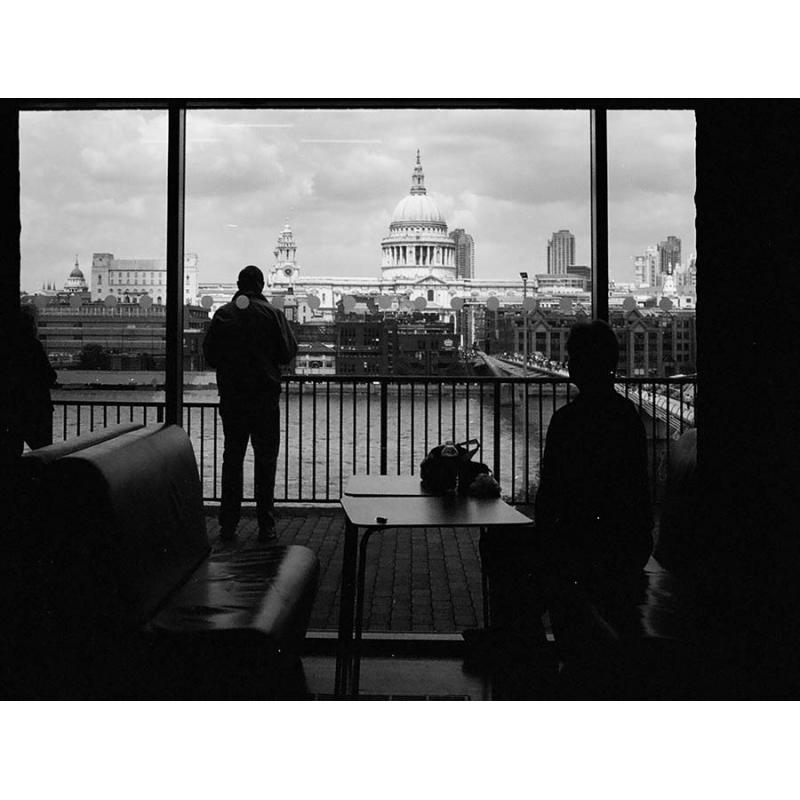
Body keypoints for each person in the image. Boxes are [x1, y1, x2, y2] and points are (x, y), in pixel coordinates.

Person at [536, 319, 653, 618]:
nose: (569, 364)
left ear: (580, 366)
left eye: (573, 358)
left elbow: (550, 497)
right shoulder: (628, 416)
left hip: (582, 547)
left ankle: (524, 649)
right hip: (627, 547)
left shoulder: (566, 421)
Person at [202, 266, 297, 542]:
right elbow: (287, 352)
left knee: (232, 459)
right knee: (265, 462)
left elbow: (210, 354)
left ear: (238, 284)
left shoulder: (223, 314)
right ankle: (266, 525)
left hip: (233, 398)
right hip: (265, 398)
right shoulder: (273, 314)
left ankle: (228, 524)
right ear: (262, 285)